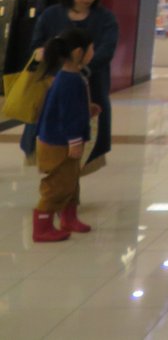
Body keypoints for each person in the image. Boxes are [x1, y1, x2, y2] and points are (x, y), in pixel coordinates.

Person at [20, 0, 118, 170]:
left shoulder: (105, 18)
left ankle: (71, 187)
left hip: (92, 86)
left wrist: (82, 70)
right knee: (50, 130)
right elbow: (36, 46)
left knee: (86, 134)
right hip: (50, 85)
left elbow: (106, 51)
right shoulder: (51, 15)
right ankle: (57, 187)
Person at [31, 29, 97, 242]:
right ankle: (41, 227)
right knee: (57, 186)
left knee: (70, 181)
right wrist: (74, 141)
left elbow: (67, 109)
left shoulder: (67, 76)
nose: (93, 52)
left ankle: (69, 217)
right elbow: (67, 115)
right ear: (79, 52)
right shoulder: (70, 81)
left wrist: (88, 109)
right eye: (91, 48)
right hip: (60, 143)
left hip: (59, 139)